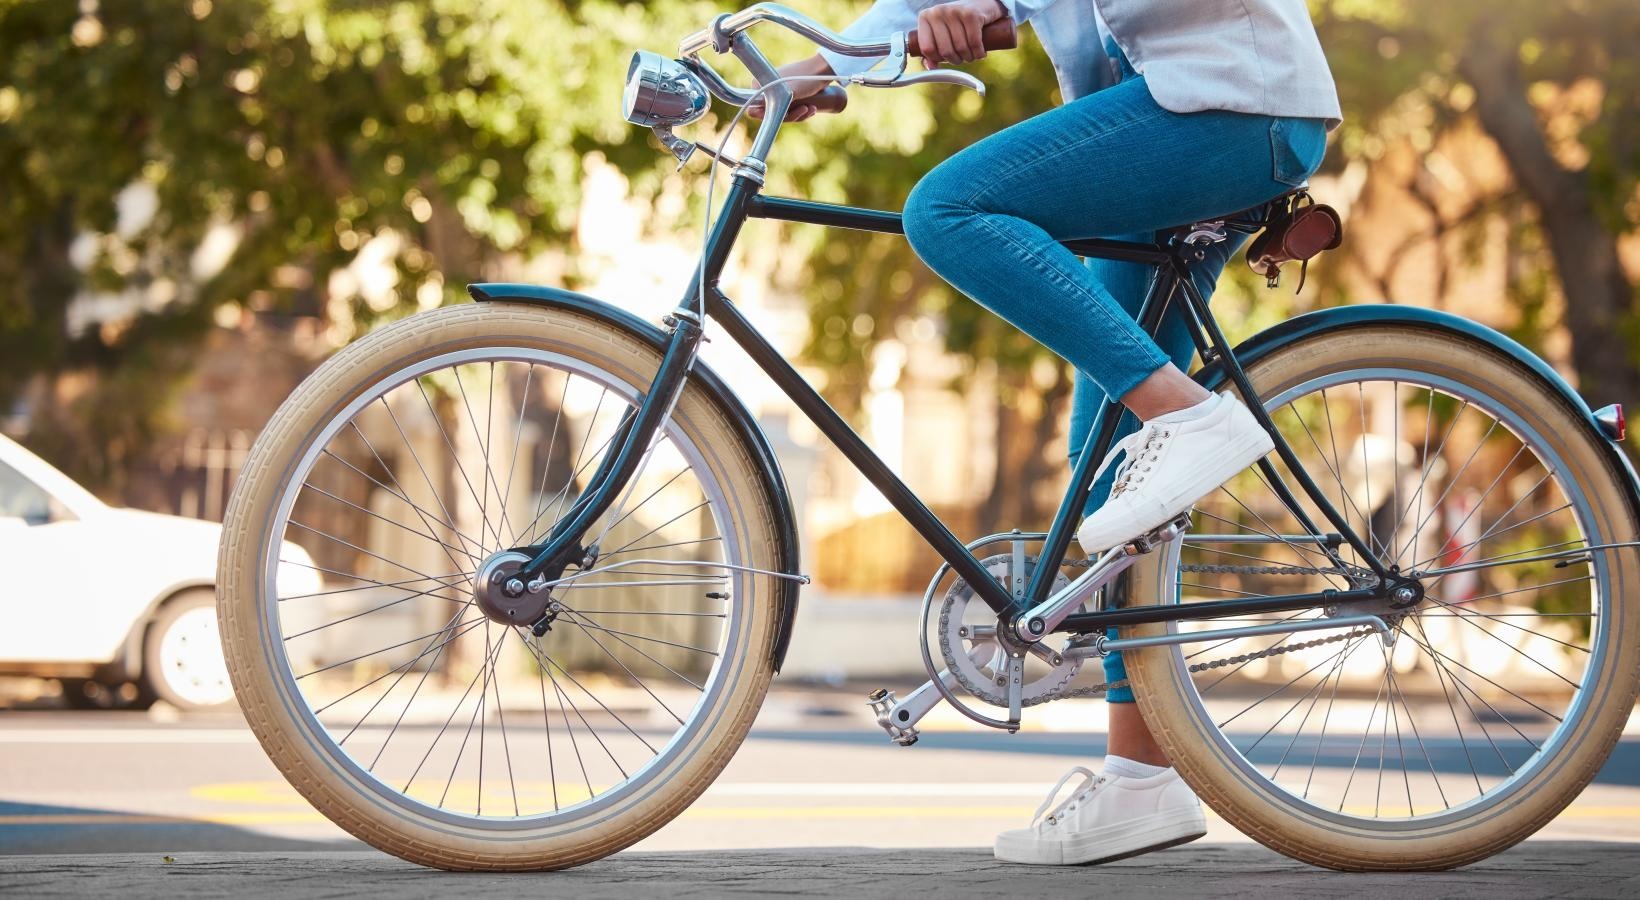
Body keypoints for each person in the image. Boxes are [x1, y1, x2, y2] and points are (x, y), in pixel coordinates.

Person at [766, 0, 1341, 866]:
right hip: (1182, 111)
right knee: (1106, 454)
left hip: (1226, 104)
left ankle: (1187, 413)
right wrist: (822, 65)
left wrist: (998, 8)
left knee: (949, 209)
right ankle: (1141, 780)